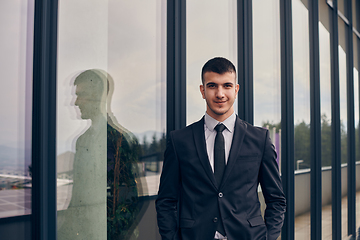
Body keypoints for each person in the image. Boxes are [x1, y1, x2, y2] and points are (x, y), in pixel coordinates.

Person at [156, 57, 286, 240]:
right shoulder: (179, 141)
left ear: (236, 89)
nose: (220, 94)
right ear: (202, 90)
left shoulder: (260, 139)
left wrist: (268, 237)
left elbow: (276, 200)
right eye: (212, 86)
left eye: (226, 85)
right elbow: (166, 201)